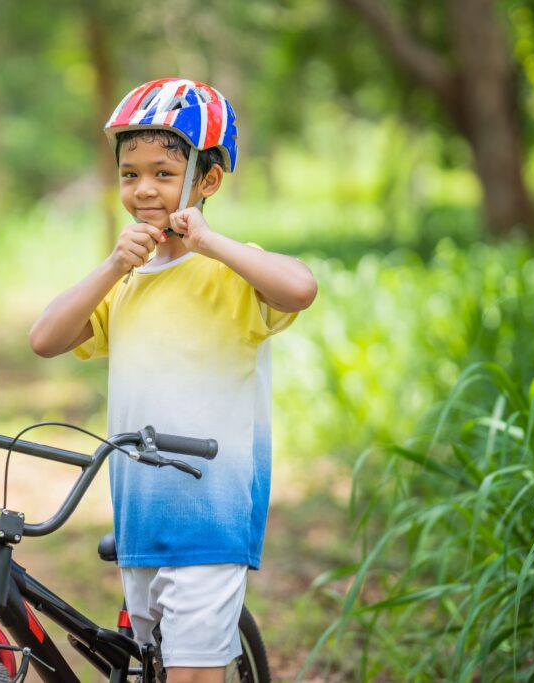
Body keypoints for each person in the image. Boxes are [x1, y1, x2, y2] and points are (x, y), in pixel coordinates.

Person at [29, 78, 317, 683]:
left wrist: (209, 241)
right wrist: (112, 265)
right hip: (140, 518)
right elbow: (45, 338)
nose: (144, 189)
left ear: (206, 181)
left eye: (163, 172)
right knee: (154, 671)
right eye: (130, 174)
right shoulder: (126, 283)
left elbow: (301, 288)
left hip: (212, 516)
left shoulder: (230, 273)